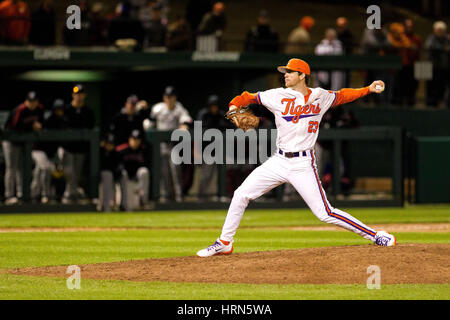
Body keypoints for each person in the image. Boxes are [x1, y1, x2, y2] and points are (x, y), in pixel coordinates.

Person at [196, 58, 396, 257]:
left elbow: (343, 95)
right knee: (241, 194)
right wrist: (232, 107)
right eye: (285, 71)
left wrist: (368, 89)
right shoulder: (276, 95)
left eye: (290, 71)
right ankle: (224, 242)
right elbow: (245, 97)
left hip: (303, 164)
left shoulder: (320, 96)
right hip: (279, 160)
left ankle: (374, 235)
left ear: (302, 76)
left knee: (325, 213)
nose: (285, 74)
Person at [150, 86, 192, 202]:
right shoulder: (158, 108)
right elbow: (150, 121)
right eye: (167, 97)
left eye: (171, 97)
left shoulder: (179, 108)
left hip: (174, 145)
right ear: (164, 98)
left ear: (175, 98)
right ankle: (165, 197)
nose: (169, 100)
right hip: (160, 145)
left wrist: (184, 125)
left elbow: (186, 119)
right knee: (163, 173)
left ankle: (179, 197)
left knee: (176, 171)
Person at [2, 91, 44, 205]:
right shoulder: (20, 109)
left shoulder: (39, 109)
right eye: (30, 101)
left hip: (23, 143)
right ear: (26, 101)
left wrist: (39, 125)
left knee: (22, 169)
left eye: (34, 101)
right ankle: (9, 195)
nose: (32, 103)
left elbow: (42, 122)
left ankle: (22, 194)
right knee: (11, 168)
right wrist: (31, 126)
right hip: (10, 141)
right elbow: (14, 127)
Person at [61, 84, 96, 204]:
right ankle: (69, 194)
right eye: (76, 94)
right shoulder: (66, 110)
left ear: (84, 95)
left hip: (81, 148)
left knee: (77, 174)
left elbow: (91, 129)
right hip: (68, 148)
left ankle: (72, 195)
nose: (78, 96)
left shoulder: (88, 111)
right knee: (69, 172)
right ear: (72, 95)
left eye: (81, 94)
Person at [196, 94, 228, 201]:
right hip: (205, 149)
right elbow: (197, 132)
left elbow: (230, 124)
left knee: (218, 175)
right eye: (212, 106)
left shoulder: (221, 115)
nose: (214, 108)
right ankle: (201, 198)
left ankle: (217, 196)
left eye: (216, 106)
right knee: (206, 175)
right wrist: (196, 151)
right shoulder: (203, 115)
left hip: (218, 149)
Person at [116, 129, 150, 210]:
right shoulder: (121, 149)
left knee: (144, 171)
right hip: (124, 178)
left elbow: (147, 165)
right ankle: (122, 204)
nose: (135, 142)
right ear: (129, 139)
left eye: (137, 139)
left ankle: (143, 201)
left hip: (137, 178)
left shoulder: (144, 150)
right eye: (133, 139)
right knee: (123, 173)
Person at [425, 21, 449, 108]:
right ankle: (430, 105)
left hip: (444, 68)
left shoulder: (447, 39)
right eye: (438, 30)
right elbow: (430, 46)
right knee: (431, 88)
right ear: (434, 30)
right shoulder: (431, 38)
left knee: (442, 88)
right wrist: (443, 49)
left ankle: (441, 103)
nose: (440, 32)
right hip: (432, 68)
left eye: (442, 30)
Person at [99, 133, 120, 211]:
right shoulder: (100, 151)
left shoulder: (116, 153)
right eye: (108, 143)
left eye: (111, 144)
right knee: (107, 174)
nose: (109, 146)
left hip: (113, 176)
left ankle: (122, 205)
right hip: (101, 176)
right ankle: (105, 206)